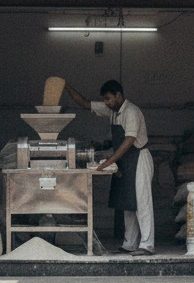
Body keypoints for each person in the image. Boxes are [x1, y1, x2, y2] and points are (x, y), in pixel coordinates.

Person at [64, 79, 154, 256]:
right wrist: (66, 86)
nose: (106, 103)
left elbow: (129, 141)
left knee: (142, 202)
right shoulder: (112, 110)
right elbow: (84, 103)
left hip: (138, 158)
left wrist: (108, 161)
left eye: (108, 99)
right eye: (104, 100)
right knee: (128, 203)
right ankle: (130, 243)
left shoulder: (131, 112)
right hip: (125, 160)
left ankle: (147, 244)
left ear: (118, 96)